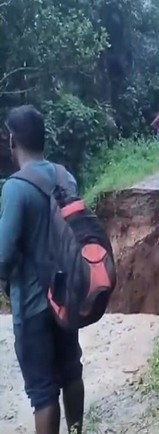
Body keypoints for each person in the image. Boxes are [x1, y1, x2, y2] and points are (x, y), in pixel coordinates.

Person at [0, 105, 84, 434]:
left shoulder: (15, 188)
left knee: (43, 392)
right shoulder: (66, 177)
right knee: (71, 373)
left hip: (33, 307)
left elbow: (3, 257)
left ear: (12, 142)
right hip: (67, 297)